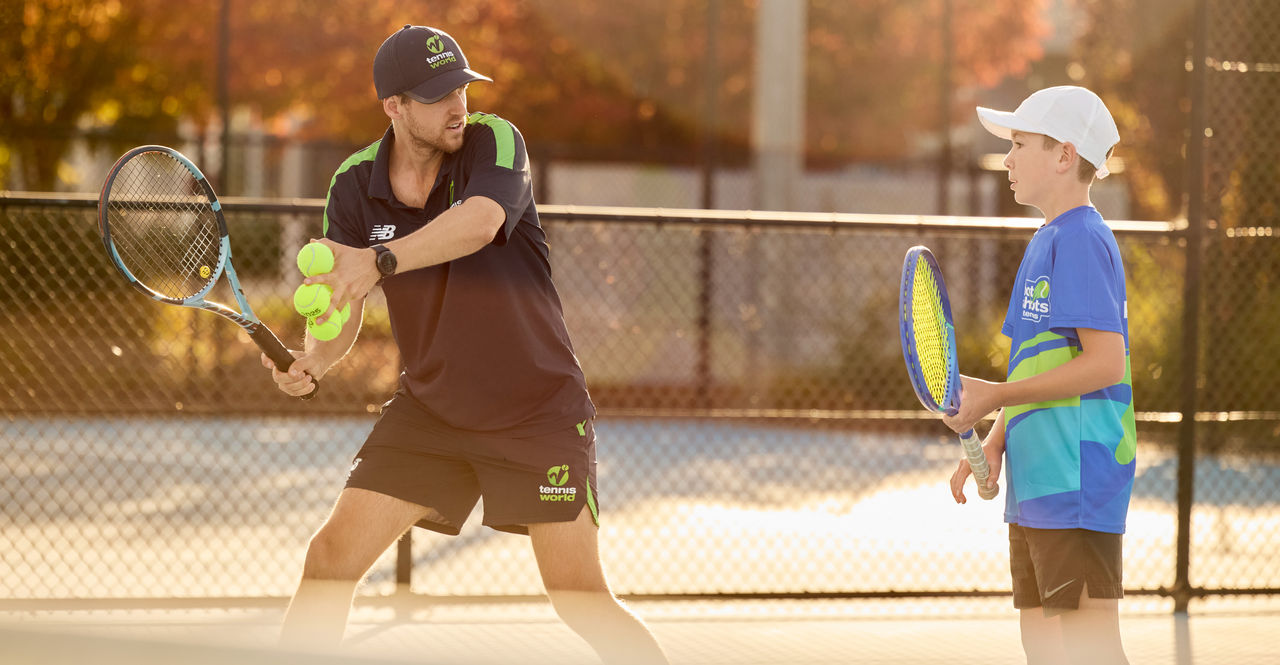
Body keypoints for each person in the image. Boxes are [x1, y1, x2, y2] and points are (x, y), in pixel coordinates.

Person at [261, 24, 668, 665]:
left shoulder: (494, 142)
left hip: (538, 411)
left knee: (579, 597)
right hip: (433, 411)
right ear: (395, 107)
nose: (459, 104)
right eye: (438, 94)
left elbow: (480, 222)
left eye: (462, 86)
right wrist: (315, 356)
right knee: (329, 559)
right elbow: (342, 300)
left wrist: (379, 260)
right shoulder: (351, 183)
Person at [944, 86, 1135, 665]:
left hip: (1076, 481)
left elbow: (1105, 362)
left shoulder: (1080, 238)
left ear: (1063, 156)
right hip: (1038, 484)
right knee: (1045, 648)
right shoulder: (1047, 240)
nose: (1007, 158)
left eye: (1019, 144)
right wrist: (998, 436)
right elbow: (1039, 361)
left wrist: (995, 397)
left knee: (1087, 648)